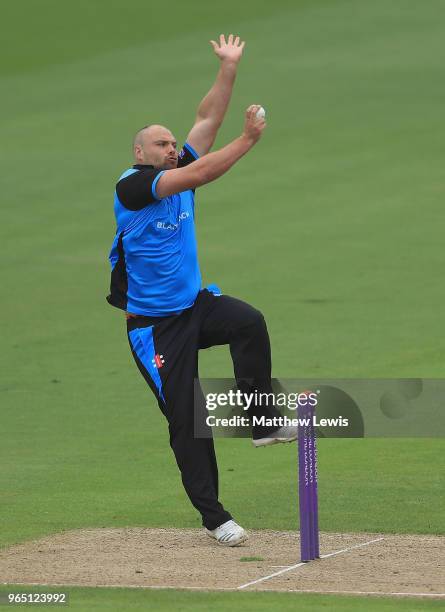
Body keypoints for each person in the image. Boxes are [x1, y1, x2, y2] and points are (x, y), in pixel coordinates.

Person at [107, 35, 297, 547]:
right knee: (188, 420)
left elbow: (207, 121)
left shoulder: (177, 171)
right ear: (139, 151)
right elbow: (207, 168)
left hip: (194, 306)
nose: (171, 148)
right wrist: (250, 140)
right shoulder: (134, 186)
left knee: (247, 321)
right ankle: (215, 518)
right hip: (154, 328)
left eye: (173, 144)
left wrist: (229, 68)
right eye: (161, 144)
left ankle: (261, 419)